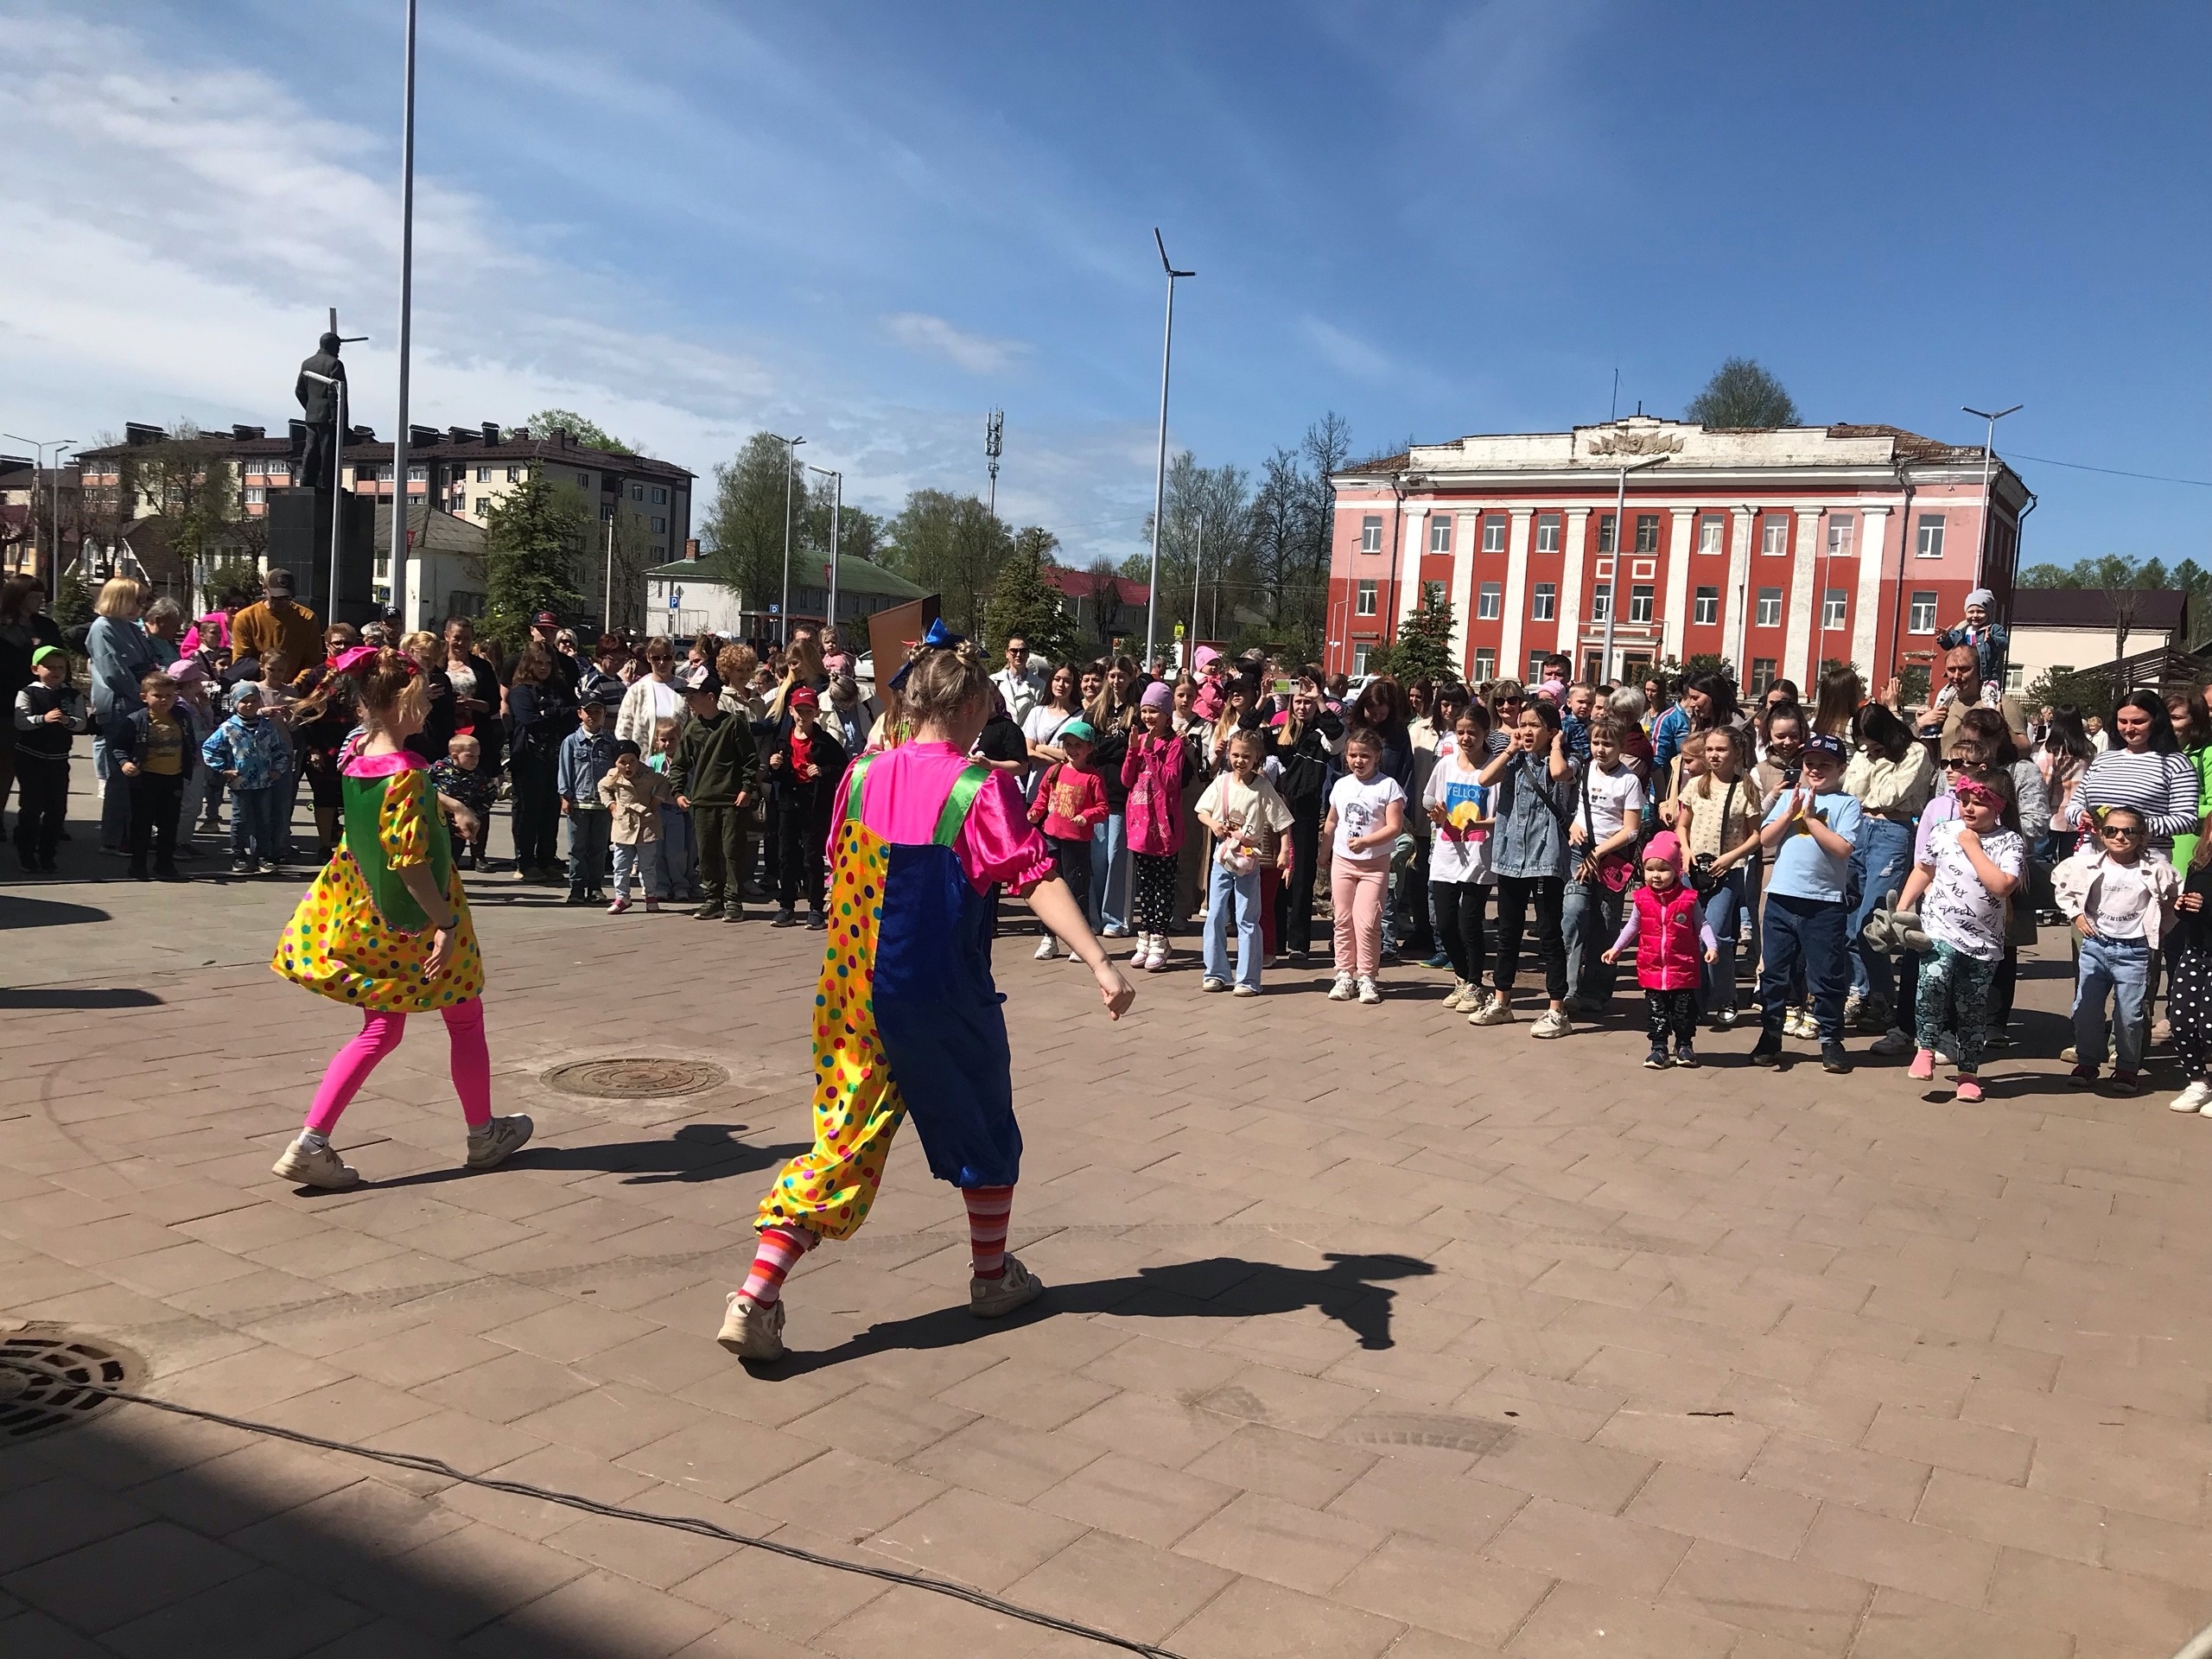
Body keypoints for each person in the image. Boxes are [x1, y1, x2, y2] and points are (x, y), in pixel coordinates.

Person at [715, 624, 1135, 1362]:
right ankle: (990, 1276)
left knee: (841, 1139)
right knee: (982, 1122)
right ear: (971, 707)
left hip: (850, 988)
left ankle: (756, 1295)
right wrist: (1098, 959)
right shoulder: (983, 788)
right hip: (938, 988)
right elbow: (1033, 875)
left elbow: (834, 865)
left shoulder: (859, 774)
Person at [270, 645, 531, 1190]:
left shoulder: (356, 753)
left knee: (380, 1029)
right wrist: (446, 924)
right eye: (419, 701)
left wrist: (449, 804)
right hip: (422, 915)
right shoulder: (406, 774)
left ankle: (311, 1142)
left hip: (368, 912)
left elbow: (389, 812)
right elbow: (410, 861)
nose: (428, 710)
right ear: (394, 705)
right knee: (465, 1017)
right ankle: (483, 1135)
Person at [1896, 766, 2024, 1103]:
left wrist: (1973, 846)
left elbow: (2000, 887)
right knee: (1933, 980)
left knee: (1971, 1006)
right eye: (1963, 801)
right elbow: (1923, 869)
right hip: (1939, 928)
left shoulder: (2009, 841)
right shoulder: (1943, 831)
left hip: (1983, 941)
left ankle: (1968, 1073)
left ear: (1998, 806)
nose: (1967, 809)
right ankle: (1925, 1046)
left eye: (1977, 804)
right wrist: (1904, 908)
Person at [1749, 733, 1863, 1072]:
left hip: (1824, 903)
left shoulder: (1846, 804)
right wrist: (1791, 813)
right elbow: (1764, 839)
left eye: (1824, 765)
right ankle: (1771, 1034)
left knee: (1826, 974)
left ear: (1841, 768)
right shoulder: (1788, 798)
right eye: (1809, 764)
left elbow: (1843, 848)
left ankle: (1831, 1039)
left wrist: (1811, 819)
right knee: (1774, 972)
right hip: (1782, 898)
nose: (1815, 770)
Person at [1471, 698, 1577, 1037]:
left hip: (1545, 858)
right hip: (1510, 857)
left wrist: (1557, 745)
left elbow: (1560, 774)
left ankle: (1557, 1010)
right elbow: (1484, 779)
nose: (1528, 731)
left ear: (1551, 730)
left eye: (1535, 725)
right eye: (1524, 724)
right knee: (1508, 933)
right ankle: (1502, 1001)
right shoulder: (1512, 759)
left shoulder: (1565, 759)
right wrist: (1510, 750)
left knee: (1549, 934)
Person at [2056, 804, 2177, 1095]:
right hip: (2096, 946)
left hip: (2135, 951)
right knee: (2085, 1007)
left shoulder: (2155, 869)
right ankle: (2087, 1061)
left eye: (2129, 831)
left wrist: (2159, 929)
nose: (2120, 836)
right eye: (2112, 830)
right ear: (2100, 833)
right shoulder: (2086, 865)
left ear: (2141, 836)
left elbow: (2173, 897)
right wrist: (2076, 915)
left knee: (2131, 1013)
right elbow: (2062, 887)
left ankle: (2127, 1067)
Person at [1840, 703, 1938, 1032]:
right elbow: (1852, 791)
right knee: (1850, 918)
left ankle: (1883, 997)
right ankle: (1861, 991)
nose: (1868, 748)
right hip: (1859, 830)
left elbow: (1889, 795)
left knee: (1873, 922)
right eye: (1863, 742)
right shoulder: (1864, 754)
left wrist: (1878, 762)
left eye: (1873, 740)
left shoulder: (1915, 753)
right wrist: (1871, 758)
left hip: (1891, 833)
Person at [1601, 830, 1717, 1069]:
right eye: (1650, 869)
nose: (1656, 876)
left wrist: (1712, 946)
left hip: (1682, 969)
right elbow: (1632, 926)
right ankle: (1658, 1048)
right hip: (1652, 970)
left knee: (1684, 1012)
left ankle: (1685, 1045)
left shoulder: (1688, 898)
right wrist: (1616, 949)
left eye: (1663, 869)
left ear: (1677, 870)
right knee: (1656, 1013)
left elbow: (1702, 924)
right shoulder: (1642, 898)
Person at [1676, 725, 1764, 1029]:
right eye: (1710, 749)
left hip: (1727, 874)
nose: (1714, 755)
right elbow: (1682, 825)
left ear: (1736, 753)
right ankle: (1697, 1001)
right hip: (1693, 873)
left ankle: (1726, 998)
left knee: (1718, 936)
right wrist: (1685, 852)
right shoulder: (1696, 786)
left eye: (1721, 749)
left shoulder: (1745, 789)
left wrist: (1731, 857)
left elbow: (1756, 836)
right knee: (1691, 936)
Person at [1195, 728, 1294, 995]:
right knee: (1215, 914)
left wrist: (1285, 852)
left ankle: (1249, 978)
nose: (1240, 761)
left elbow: (1282, 822)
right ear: (1229, 754)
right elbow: (1202, 811)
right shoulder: (1222, 783)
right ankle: (1215, 971)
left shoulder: (1263, 787)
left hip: (1249, 860)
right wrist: (1214, 823)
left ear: (1257, 758)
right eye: (1235, 755)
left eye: (1246, 756)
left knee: (1248, 918)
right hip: (1223, 856)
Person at [1562, 716, 1646, 1017]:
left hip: (1611, 859)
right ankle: (1568, 987)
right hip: (1578, 854)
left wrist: (1599, 853)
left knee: (1604, 923)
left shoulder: (1629, 781)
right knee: (1573, 913)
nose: (1601, 749)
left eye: (1608, 744)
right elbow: (1571, 807)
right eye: (1596, 742)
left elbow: (1631, 829)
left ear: (1621, 747)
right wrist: (1572, 825)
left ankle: (1596, 990)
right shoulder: (1583, 771)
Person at [1323, 727, 1406, 1005]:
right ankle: (1345, 973)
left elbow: (1394, 826)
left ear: (1377, 756)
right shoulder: (1341, 785)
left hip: (1375, 865)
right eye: (1353, 755)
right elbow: (1332, 821)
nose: (1358, 761)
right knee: (1342, 919)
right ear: (1346, 756)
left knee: (1368, 922)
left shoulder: (1388, 786)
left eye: (1365, 756)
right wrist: (1324, 852)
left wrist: (1367, 841)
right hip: (1343, 862)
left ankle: (1367, 977)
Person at [2067, 690, 2200, 856]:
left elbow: (2187, 820)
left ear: (2156, 722)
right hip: (2091, 855)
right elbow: (2074, 805)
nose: (2129, 728)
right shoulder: (2103, 760)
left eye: (2138, 722)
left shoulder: (2175, 763)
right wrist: (2081, 816)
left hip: (2146, 859)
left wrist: (2134, 827)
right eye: (2123, 721)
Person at [1424, 705, 1494, 1013]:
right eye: (1461, 732)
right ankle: (1462, 978)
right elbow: (1430, 797)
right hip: (1446, 852)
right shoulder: (1446, 764)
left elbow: (1502, 815)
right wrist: (1437, 813)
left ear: (1485, 734)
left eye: (1473, 733)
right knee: (1445, 921)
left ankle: (1476, 983)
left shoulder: (1493, 768)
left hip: (1480, 856)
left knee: (1470, 923)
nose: (1466, 738)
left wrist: (1479, 825)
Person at [1271, 676, 1344, 963]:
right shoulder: (1279, 730)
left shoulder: (1321, 735)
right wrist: (1264, 698)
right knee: (1276, 873)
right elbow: (1246, 732)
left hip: (1306, 809)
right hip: (1276, 809)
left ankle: (1299, 942)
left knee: (1302, 875)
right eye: (1298, 701)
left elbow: (1338, 739)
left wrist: (1320, 700)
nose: (1302, 707)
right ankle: (1275, 940)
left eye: (1307, 702)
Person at [673, 677, 758, 922]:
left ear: (710, 697)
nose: (688, 700)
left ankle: (734, 900)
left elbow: (749, 760)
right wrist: (678, 792)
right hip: (701, 802)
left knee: (732, 850)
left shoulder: (733, 725)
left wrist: (746, 787)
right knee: (707, 851)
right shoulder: (692, 728)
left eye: (693, 695)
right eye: (686, 696)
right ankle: (713, 899)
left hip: (731, 801)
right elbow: (680, 764)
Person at [765, 685, 848, 928]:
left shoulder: (825, 741)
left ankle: (815, 908)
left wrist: (822, 771)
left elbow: (843, 768)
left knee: (812, 856)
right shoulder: (781, 739)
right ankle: (786, 906)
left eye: (808, 711)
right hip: (788, 801)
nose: (803, 716)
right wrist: (775, 766)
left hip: (813, 802)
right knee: (786, 854)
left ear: (816, 713)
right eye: (799, 710)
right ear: (791, 711)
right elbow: (771, 774)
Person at [1121, 679, 1189, 972]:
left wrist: (1149, 752)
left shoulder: (1174, 744)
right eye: (1145, 711)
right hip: (1139, 824)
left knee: (1162, 884)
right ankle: (1145, 936)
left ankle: (1160, 937)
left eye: (1154, 712)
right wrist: (1133, 751)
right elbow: (1126, 780)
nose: (1148, 718)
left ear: (1166, 714)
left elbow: (1171, 782)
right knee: (1145, 885)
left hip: (1163, 827)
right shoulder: (1140, 741)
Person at [1028, 717, 1108, 960]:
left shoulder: (1093, 777)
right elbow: (1043, 796)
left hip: (1077, 842)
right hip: (1052, 837)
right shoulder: (1055, 771)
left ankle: (1079, 941)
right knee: (1051, 887)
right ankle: (1049, 937)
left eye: (1078, 745)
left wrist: (1087, 816)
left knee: (1077, 890)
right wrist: (1035, 813)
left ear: (1089, 749)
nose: (1072, 750)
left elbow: (1103, 807)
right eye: (1068, 745)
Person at [87, 576, 157, 853]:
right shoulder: (102, 628)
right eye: (136, 599)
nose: (141, 605)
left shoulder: (131, 628)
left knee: (139, 773)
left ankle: (134, 831)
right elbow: (114, 672)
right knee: (121, 774)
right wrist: (141, 696)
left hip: (138, 702)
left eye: (143, 599)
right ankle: (114, 837)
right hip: (120, 705)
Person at [113, 670, 201, 882]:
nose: (164, 700)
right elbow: (118, 747)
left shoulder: (182, 717)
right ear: (145, 697)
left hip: (173, 778)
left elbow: (190, 740)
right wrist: (125, 763)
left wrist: (193, 757)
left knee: (169, 824)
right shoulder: (135, 720)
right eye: (158, 695)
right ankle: (138, 864)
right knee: (141, 824)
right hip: (146, 779)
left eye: (169, 696)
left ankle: (165, 864)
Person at [202, 682, 293, 875]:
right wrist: (224, 769)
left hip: (264, 781)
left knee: (264, 819)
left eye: (254, 701)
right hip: (241, 783)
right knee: (240, 819)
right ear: (235, 703)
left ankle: (262, 856)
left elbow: (280, 750)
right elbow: (209, 749)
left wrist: (278, 769)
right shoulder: (228, 728)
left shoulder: (267, 727)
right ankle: (238, 855)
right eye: (244, 702)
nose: (250, 705)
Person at [13, 645, 85, 872]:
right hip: (31, 757)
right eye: (50, 667)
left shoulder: (72, 695)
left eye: (61, 668)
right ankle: (26, 853)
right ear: (36, 669)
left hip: (58, 759)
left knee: (57, 810)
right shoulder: (28, 692)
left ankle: (47, 854)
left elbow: (81, 723)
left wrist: (68, 722)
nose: (56, 672)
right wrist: (42, 719)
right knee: (31, 807)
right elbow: (21, 721)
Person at [0, 576, 63, 831]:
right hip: (6, 704)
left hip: (43, 703)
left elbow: (58, 656)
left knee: (46, 767)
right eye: (34, 596)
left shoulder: (46, 626)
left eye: (41, 596)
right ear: (18, 596)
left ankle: (49, 822)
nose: (40, 601)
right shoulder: (3, 626)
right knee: (5, 765)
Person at [1084, 656, 1140, 937]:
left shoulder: (1137, 711)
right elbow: (1089, 748)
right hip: (1096, 794)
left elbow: (1132, 749)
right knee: (1097, 858)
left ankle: (1115, 919)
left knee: (1116, 856)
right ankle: (1094, 917)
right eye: (1113, 675)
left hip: (1123, 795)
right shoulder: (1095, 711)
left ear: (1131, 678)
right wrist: (1112, 746)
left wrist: (1108, 747)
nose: (1117, 680)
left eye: (1122, 675)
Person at [505, 642, 566, 882]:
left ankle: (546, 859)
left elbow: (574, 713)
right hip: (529, 759)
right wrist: (555, 715)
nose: (544, 668)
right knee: (528, 812)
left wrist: (550, 714)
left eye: (548, 663)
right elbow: (529, 719)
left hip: (555, 758)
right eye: (539, 662)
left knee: (550, 811)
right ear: (529, 663)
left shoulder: (558, 687)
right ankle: (525, 862)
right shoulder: (521, 691)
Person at [557, 691, 620, 905]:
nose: (593, 716)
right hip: (579, 803)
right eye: (588, 711)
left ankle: (595, 886)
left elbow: (615, 772)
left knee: (599, 848)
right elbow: (564, 770)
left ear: (604, 715)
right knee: (577, 847)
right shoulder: (571, 741)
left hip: (602, 805)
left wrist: (615, 798)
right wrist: (565, 795)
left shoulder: (610, 742)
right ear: (580, 713)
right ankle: (576, 888)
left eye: (598, 712)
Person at [2164, 833, 2212, 1115]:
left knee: (2209, 1026)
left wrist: (2205, 908)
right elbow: (2192, 912)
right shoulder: (2199, 865)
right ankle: (2198, 1081)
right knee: (2180, 1021)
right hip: (2194, 953)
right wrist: (2183, 908)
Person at [599, 740, 671, 914]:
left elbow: (663, 782)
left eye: (632, 761)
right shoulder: (613, 776)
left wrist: (657, 800)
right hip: (623, 825)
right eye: (622, 762)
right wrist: (611, 805)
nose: (628, 766)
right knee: (621, 864)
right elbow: (602, 786)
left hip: (646, 824)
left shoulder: (648, 774)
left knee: (647, 865)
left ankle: (651, 896)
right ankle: (622, 897)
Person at [229, 568, 321, 686]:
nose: (282, 602)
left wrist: (296, 685)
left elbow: (313, 661)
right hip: (256, 691)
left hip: (296, 692)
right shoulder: (245, 618)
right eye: (276, 597)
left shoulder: (307, 618)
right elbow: (241, 662)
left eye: (287, 597)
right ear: (264, 589)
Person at [647, 716, 699, 904]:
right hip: (658, 811)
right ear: (657, 741)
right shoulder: (653, 761)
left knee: (677, 851)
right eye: (663, 740)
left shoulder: (687, 761)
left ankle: (681, 884)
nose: (668, 743)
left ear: (681, 739)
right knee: (657, 850)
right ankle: (661, 885)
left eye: (672, 739)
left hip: (679, 812)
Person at [429, 733, 498, 870]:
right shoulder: (438, 769)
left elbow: (489, 795)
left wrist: (474, 811)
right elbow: (424, 788)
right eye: (470, 756)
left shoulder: (478, 775)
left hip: (459, 826)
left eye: (477, 756)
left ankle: (450, 884)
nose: (475, 760)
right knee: (435, 857)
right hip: (437, 823)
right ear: (455, 756)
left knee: (453, 859)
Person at [1936, 588, 2010, 702]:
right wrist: (1945, 638)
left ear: (1988, 613)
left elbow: (2004, 644)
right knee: (1944, 695)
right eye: (1971, 612)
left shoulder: (1994, 629)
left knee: (1989, 696)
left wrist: (1992, 639)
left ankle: (1992, 714)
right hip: (1966, 674)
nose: (1975, 615)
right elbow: (1949, 645)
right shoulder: (1962, 630)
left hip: (1987, 675)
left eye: (1980, 611)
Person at [991, 632, 1045, 727]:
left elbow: (1041, 717)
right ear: (1007, 654)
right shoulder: (994, 682)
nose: (1019, 655)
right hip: (1000, 737)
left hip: (1026, 738)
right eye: (1014, 651)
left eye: (1023, 651)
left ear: (1028, 654)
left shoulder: (1040, 685)